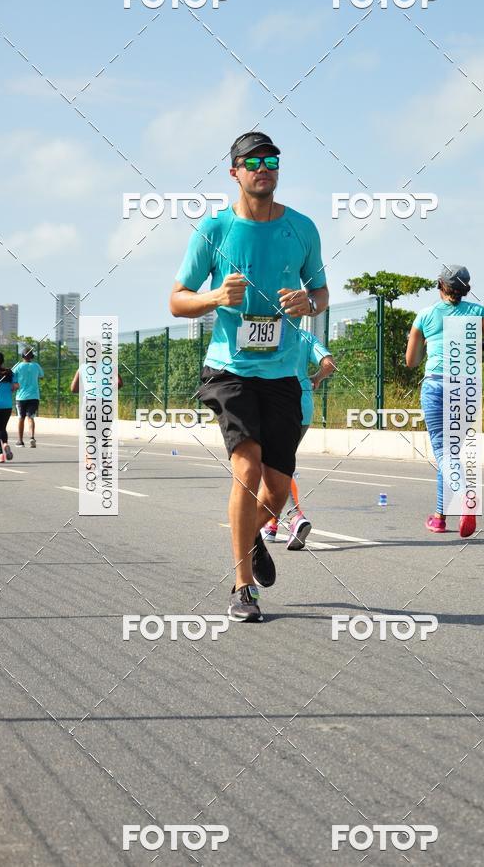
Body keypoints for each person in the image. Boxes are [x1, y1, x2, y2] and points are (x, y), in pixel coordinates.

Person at [169, 131, 329, 622]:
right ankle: (243, 587)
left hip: (282, 375)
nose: (264, 167)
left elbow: (321, 292)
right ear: (234, 171)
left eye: (272, 160)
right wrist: (215, 298)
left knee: (278, 491)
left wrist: (310, 303)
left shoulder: (301, 228)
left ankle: (256, 535)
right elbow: (177, 299)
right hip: (230, 369)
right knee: (248, 468)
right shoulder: (213, 230)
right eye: (253, 161)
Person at [405, 265, 484, 537]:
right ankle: (439, 517)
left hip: (437, 385)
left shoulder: (425, 316)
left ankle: (465, 497)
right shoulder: (479, 312)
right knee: (451, 455)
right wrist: (479, 346)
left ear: (440, 285)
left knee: (444, 453)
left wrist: (428, 342)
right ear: (466, 290)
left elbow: (411, 361)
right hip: (467, 388)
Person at [262, 330, 336, 549]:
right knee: (279, 463)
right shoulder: (305, 337)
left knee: (272, 466)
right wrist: (316, 378)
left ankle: (295, 517)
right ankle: (271, 525)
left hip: (276, 404)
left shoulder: (267, 331)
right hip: (303, 406)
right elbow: (329, 364)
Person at [13, 346, 44, 447]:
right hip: (34, 396)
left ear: (22, 355)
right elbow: (41, 376)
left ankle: (20, 441)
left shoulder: (18, 367)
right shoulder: (36, 366)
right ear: (32, 356)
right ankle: (32, 437)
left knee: (21, 418)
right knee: (31, 417)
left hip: (21, 397)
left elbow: (11, 377)